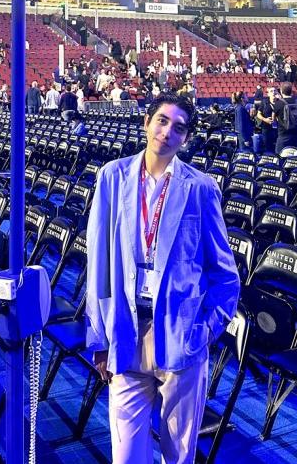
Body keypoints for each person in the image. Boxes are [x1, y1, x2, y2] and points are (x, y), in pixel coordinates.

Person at [86, 93, 240, 464]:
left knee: (178, 455)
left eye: (178, 127)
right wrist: (99, 338)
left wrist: (204, 331)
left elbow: (225, 275)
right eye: (162, 120)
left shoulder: (201, 188)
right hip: (125, 330)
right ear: (147, 123)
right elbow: (98, 266)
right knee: (126, 456)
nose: (167, 131)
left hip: (180, 337)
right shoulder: (112, 177)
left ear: (185, 139)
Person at [270, 81, 297, 152]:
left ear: (281, 91)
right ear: (291, 91)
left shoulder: (278, 103)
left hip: (284, 135)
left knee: (280, 156)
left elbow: (273, 119)